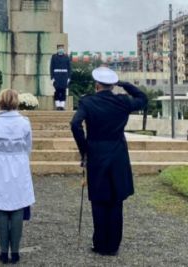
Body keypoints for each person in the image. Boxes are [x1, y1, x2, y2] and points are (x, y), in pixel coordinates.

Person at [70, 67, 147, 256]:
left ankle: (100, 244)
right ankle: (113, 246)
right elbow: (143, 99)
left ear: (97, 84)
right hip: (118, 154)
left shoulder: (87, 101)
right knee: (116, 200)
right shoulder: (122, 101)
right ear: (112, 85)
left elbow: (74, 124)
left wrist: (84, 149)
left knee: (98, 199)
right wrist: (125, 84)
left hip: (96, 152)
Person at [0, 89, 35, 264]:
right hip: (19, 164)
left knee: (2, 208)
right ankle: (16, 251)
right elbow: (28, 147)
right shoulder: (24, 122)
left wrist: (1, 158)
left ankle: (3, 251)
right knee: (18, 207)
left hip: (0, 163)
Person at [50, 44, 71, 110]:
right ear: (57, 49)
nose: (61, 49)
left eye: (62, 48)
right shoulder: (54, 57)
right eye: (59, 48)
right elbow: (51, 67)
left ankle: (62, 106)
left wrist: (69, 77)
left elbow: (69, 68)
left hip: (64, 76)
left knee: (63, 91)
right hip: (57, 76)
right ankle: (58, 106)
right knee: (57, 91)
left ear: (63, 48)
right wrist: (52, 77)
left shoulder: (66, 57)